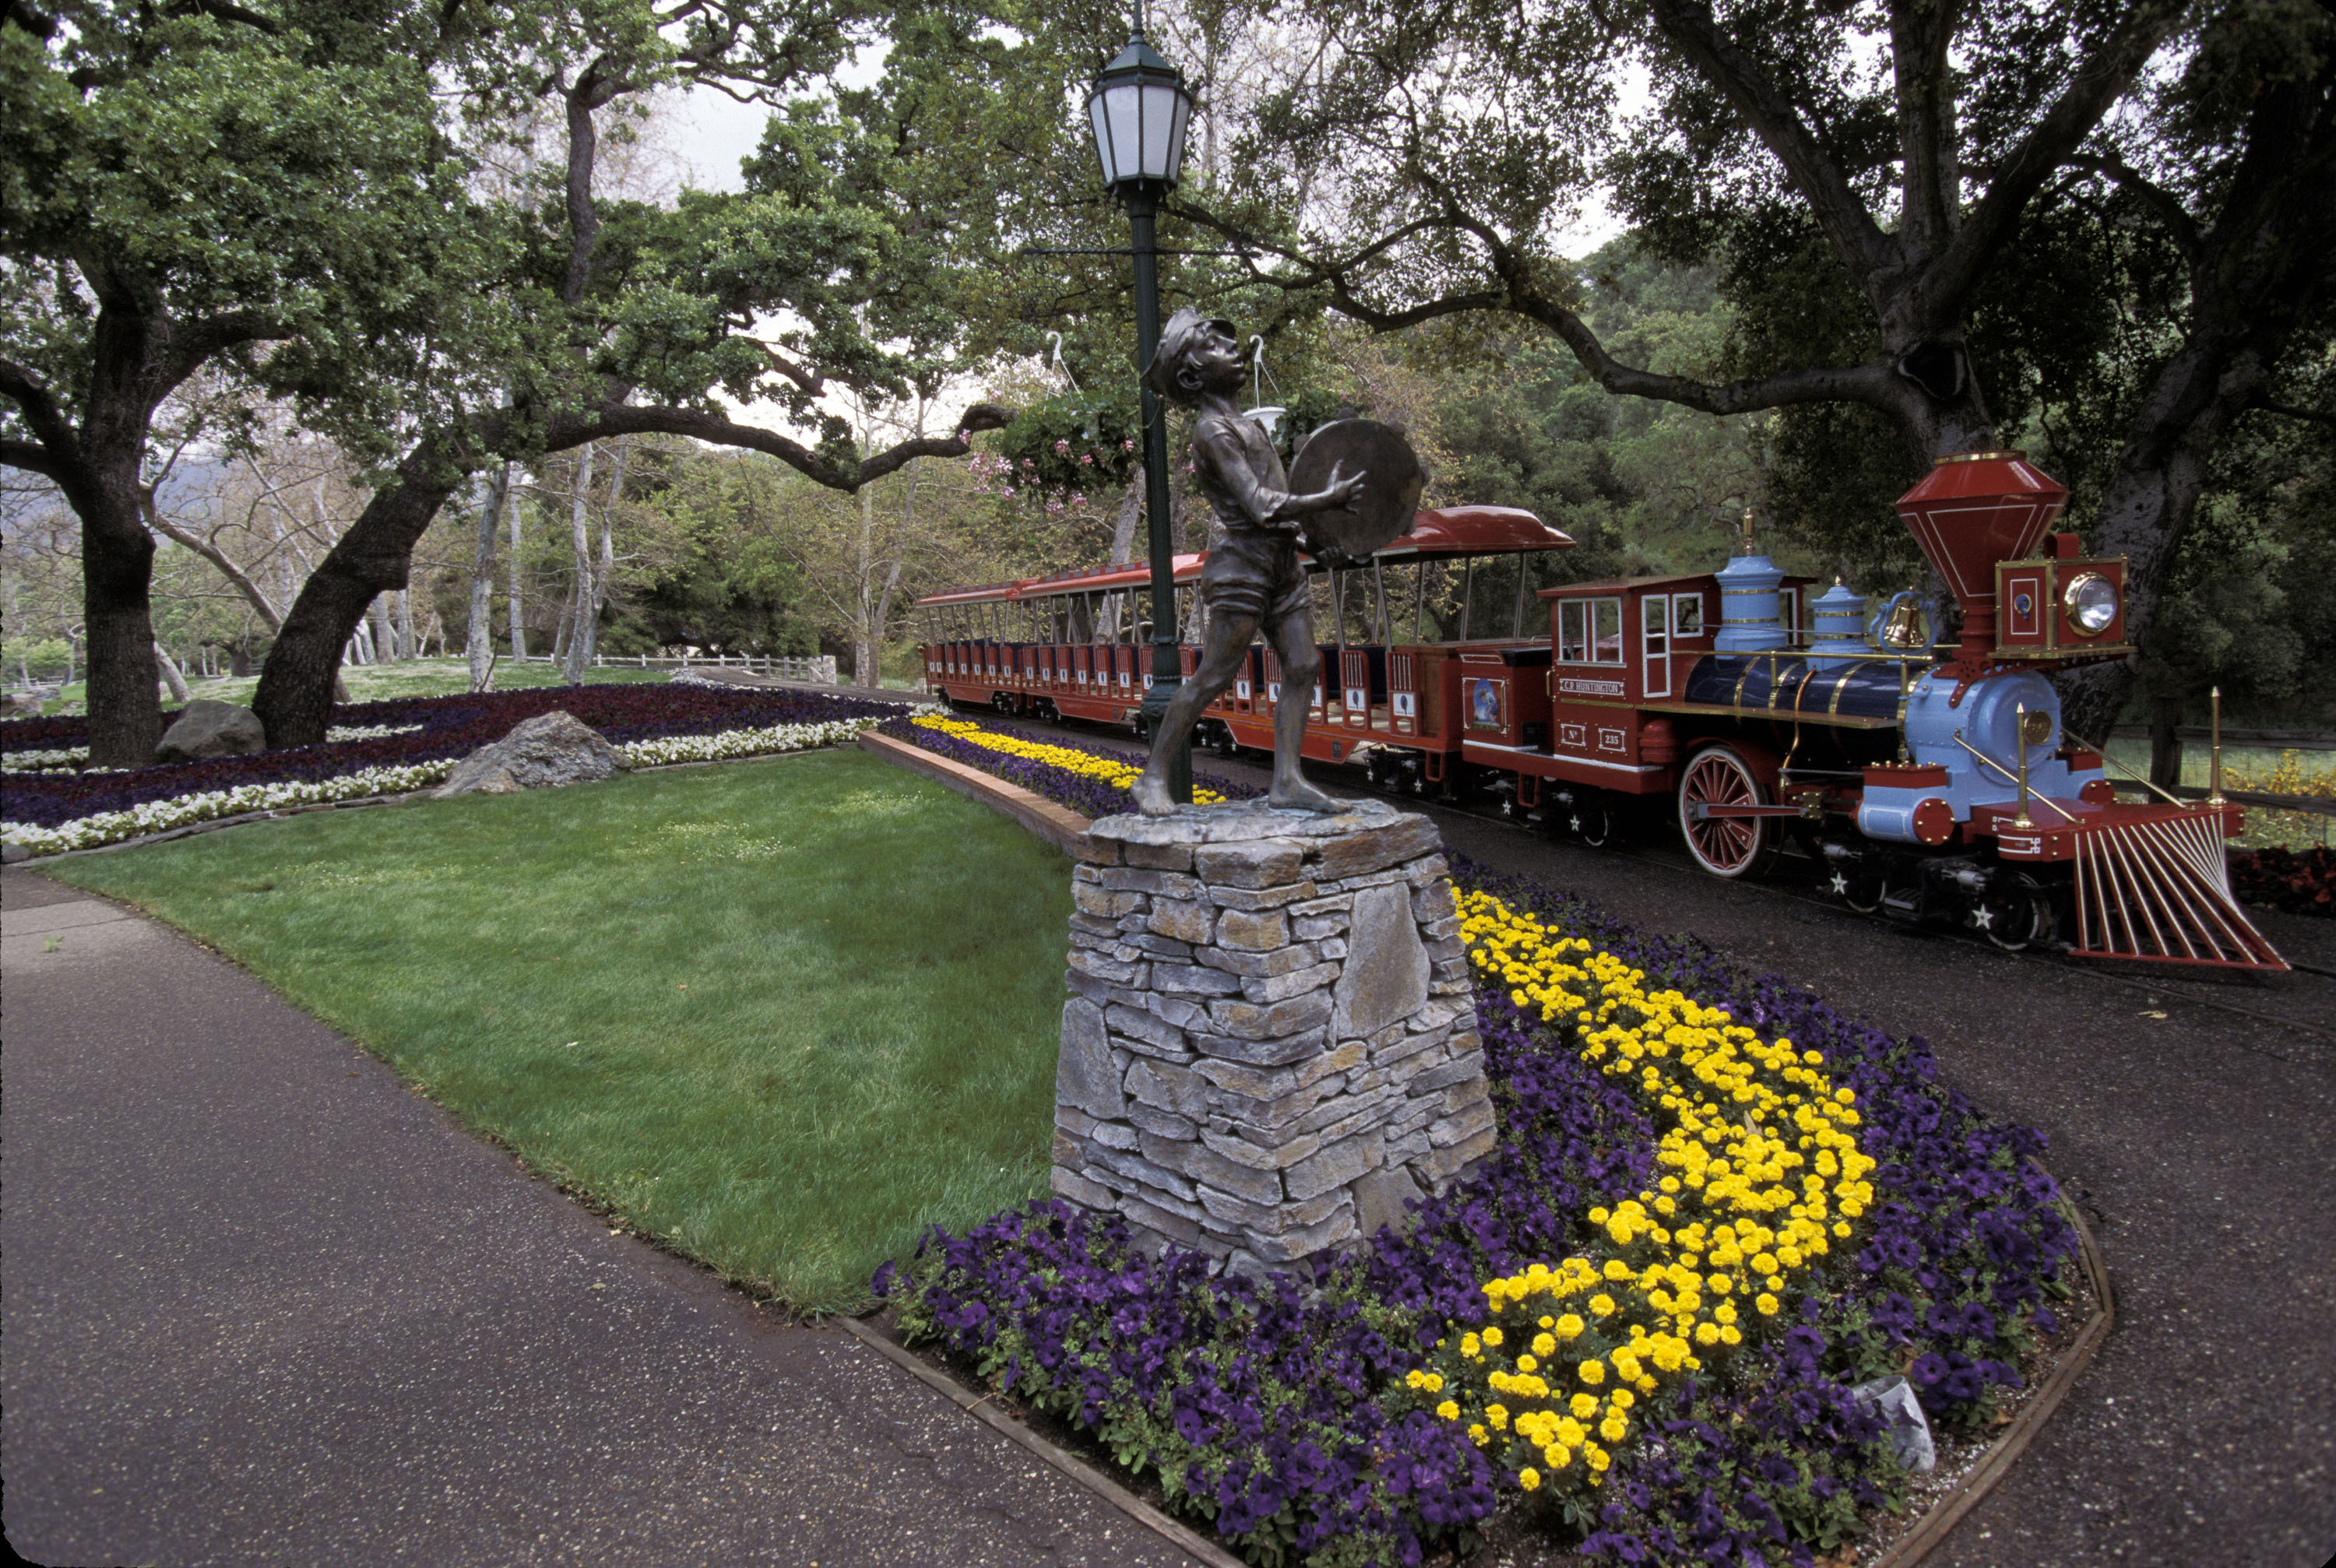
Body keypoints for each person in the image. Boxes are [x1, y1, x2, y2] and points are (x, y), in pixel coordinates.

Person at [1129, 310, 1367, 816]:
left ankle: (1286, 781)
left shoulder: (1245, 425)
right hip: (1243, 570)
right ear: (1192, 375)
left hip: (1281, 566)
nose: (1233, 349)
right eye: (1216, 345)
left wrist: (1317, 545)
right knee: (1215, 674)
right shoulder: (1215, 431)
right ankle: (1152, 778)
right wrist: (1328, 499)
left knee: (1303, 665)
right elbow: (1259, 505)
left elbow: (1278, 514)